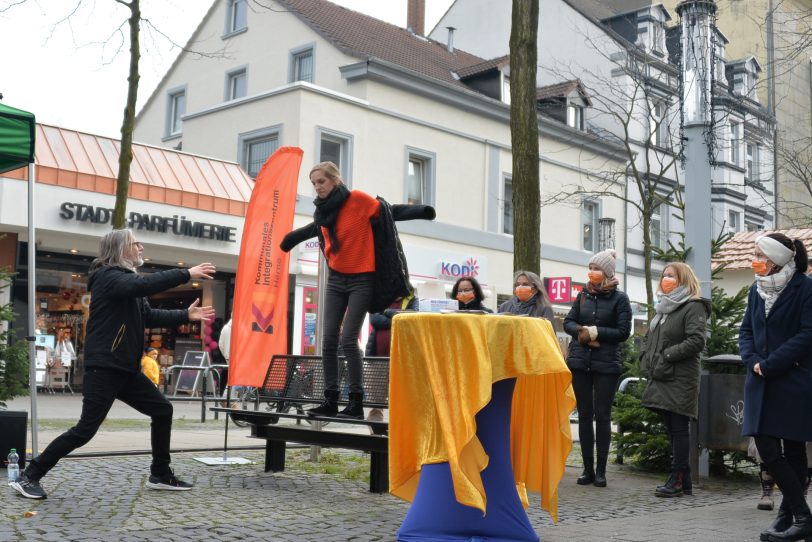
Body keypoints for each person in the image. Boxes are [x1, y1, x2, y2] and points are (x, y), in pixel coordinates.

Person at [10, 228, 216, 500]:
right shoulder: (108, 277)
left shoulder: (126, 282)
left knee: (162, 410)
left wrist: (185, 314)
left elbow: (148, 316)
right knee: (85, 430)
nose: (141, 248)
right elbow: (142, 286)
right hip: (105, 367)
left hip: (125, 369)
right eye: (135, 243)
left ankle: (160, 474)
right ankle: (29, 476)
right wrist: (185, 273)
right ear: (120, 249)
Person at [280, 161, 435, 419]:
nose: (317, 187)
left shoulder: (358, 200)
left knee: (348, 340)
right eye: (314, 183)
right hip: (336, 280)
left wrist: (422, 211)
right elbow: (314, 229)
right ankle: (330, 400)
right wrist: (289, 240)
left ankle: (355, 403)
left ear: (335, 181)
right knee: (328, 340)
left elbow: (389, 211)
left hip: (362, 280)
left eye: (322, 181)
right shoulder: (322, 212)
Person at [740, 233, 812, 542]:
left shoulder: (805, 288)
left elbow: (808, 333)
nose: (754, 259)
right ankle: (802, 515)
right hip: (760, 379)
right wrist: (753, 359)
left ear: (776, 259)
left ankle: (789, 517)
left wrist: (771, 363)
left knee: (795, 449)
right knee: (767, 448)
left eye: (758, 254)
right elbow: (746, 331)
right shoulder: (756, 290)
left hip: (793, 378)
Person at [640, 262, 710, 498]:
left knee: (679, 429)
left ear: (683, 280)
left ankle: (677, 479)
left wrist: (667, 356)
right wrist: (646, 357)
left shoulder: (692, 306)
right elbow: (653, 339)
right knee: (672, 428)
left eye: (671, 276)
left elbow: (697, 341)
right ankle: (684, 478)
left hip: (680, 377)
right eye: (664, 275)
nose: (665, 279)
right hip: (662, 375)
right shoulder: (664, 308)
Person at [563, 249, 631, 488]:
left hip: (606, 365)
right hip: (580, 362)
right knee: (584, 415)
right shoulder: (583, 294)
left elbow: (623, 332)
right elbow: (568, 321)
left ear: (607, 272)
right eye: (590, 268)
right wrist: (582, 332)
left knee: (602, 416)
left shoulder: (620, 299)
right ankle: (587, 469)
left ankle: (601, 471)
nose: (591, 273)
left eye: (596, 269)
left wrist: (597, 332)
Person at [364, 290, 418, 431]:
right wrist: (397, 316)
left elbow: (411, 320)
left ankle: (398, 435)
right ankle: (376, 436)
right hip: (377, 358)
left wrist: (386, 312)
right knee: (376, 401)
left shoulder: (413, 300)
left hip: (402, 360)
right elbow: (375, 319)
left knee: (402, 399)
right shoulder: (380, 297)